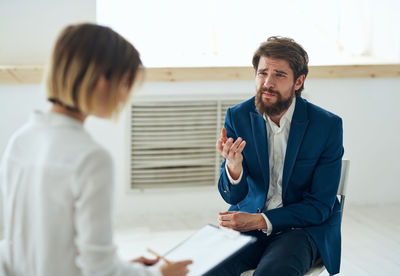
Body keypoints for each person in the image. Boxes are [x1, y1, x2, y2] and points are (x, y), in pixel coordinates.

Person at [0, 23, 192, 276]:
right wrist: (159, 274)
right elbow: (99, 271)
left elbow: (22, 248)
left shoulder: (21, 140)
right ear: (102, 81)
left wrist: (126, 268)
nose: (125, 97)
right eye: (126, 84)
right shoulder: (91, 159)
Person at [214, 36, 343, 276]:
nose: (267, 83)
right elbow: (231, 194)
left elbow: (320, 206)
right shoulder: (238, 116)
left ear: (298, 81)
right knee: (204, 267)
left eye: (279, 75)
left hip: (301, 229)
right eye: (262, 73)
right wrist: (234, 167)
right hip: (247, 227)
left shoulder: (326, 126)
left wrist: (259, 221)